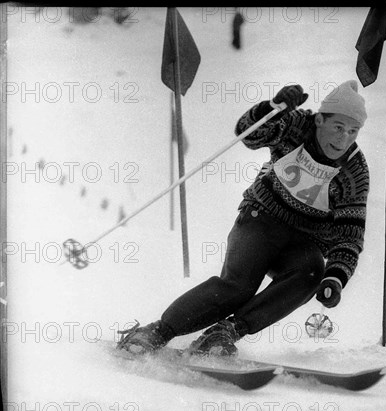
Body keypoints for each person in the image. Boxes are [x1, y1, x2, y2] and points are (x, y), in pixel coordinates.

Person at [117, 80, 370, 356]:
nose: (343, 139)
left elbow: (349, 236)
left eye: (353, 131)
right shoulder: (298, 126)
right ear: (320, 119)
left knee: (311, 273)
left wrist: (335, 278)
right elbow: (249, 135)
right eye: (338, 127)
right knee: (239, 286)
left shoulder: (354, 171)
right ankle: (157, 331)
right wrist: (274, 107)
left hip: (304, 241)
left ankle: (223, 333)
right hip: (261, 219)